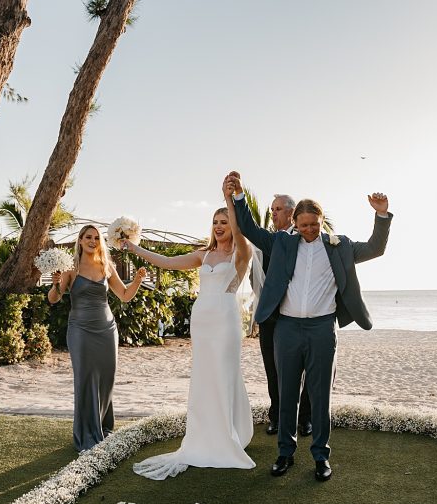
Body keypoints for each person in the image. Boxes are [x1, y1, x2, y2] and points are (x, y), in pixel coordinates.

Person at [229, 171, 392, 482]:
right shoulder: (280, 242)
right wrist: (238, 197)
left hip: (321, 329)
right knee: (286, 392)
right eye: (303, 226)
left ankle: (320, 456)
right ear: (295, 223)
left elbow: (375, 247)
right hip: (287, 328)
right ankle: (284, 454)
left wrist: (381, 215)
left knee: (320, 396)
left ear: (321, 222)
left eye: (313, 225)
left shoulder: (339, 245)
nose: (308, 230)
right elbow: (249, 228)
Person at [126, 186, 256, 479]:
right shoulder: (203, 255)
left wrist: (228, 202)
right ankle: (205, 435)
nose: (219, 227)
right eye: (215, 222)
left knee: (225, 374)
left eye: (224, 222)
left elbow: (242, 237)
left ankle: (230, 435)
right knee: (205, 377)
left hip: (225, 320)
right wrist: (135, 248)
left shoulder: (241, 253)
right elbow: (167, 262)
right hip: (202, 322)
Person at [48, 224, 147, 452]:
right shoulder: (70, 268)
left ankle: (103, 427)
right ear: (80, 240)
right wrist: (55, 283)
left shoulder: (107, 266)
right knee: (85, 378)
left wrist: (138, 280)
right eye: (88, 237)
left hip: (106, 329)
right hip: (80, 330)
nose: (93, 241)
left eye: (96, 238)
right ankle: (86, 432)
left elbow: (124, 295)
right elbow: (54, 299)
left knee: (106, 378)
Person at [253, 193, 313, 437]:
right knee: (272, 369)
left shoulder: (303, 240)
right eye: (272, 209)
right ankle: (276, 416)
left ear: (291, 212)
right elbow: (256, 278)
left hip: (296, 315)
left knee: (305, 369)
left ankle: (305, 418)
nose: (273, 213)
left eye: (278, 209)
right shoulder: (265, 242)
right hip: (269, 316)